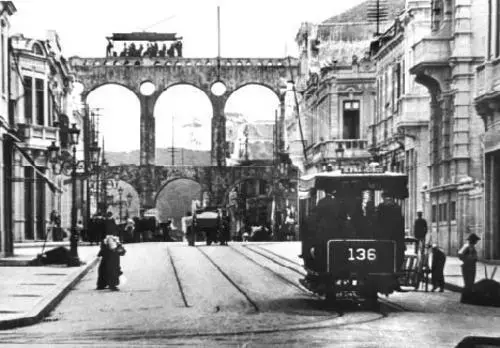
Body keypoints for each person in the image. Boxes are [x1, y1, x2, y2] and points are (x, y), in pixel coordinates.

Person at [377, 191, 405, 271]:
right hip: (395, 238)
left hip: (383, 238)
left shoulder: (381, 207)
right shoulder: (397, 207)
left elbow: (378, 221)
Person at [458, 232, 480, 303]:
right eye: (476, 240)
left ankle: (467, 298)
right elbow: (460, 255)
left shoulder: (472, 247)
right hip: (467, 267)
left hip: (472, 266)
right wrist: (467, 259)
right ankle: (465, 299)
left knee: (470, 283)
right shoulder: (467, 247)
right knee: (468, 283)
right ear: (473, 240)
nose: (476, 242)